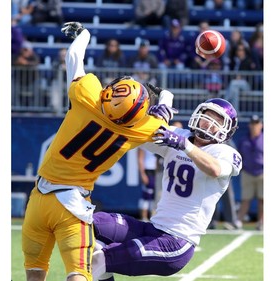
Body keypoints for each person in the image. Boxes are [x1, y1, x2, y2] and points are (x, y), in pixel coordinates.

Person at [21, 21, 178, 281]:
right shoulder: (139, 128)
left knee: (35, 272)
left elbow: (74, 56)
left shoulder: (87, 96)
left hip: (39, 197)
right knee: (79, 274)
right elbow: (165, 113)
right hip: (72, 204)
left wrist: (84, 34)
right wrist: (164, 101)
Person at [91, 98, 242, 281]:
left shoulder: (225, 153)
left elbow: (215, 169)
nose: (208, 123)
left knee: (99, 260)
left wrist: (185, 146)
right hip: (153, 228)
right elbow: (137, 133)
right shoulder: (180, 135)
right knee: (90, 226)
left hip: (177, 242)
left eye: (217, 121)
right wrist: (148, 117)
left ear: (226, 130)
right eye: (207, 116)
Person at [236, 114, 263, 230]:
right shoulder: (243, 140)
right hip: (247, 172)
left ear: (260, 125)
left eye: (256, 124)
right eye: (252, 124)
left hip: (263, 172)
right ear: (249, 125)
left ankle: (262, 223)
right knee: (245, 199)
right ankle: (238, 221)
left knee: (263, 199)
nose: (254, 126)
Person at [137, 147, 157, 221]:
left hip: (156, 171)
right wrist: (142, 174)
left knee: (154, 195)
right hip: (147, 170)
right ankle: (144, 217)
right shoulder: (143, 144)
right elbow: (140, 159)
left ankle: (152, 216)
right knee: (146, 194)